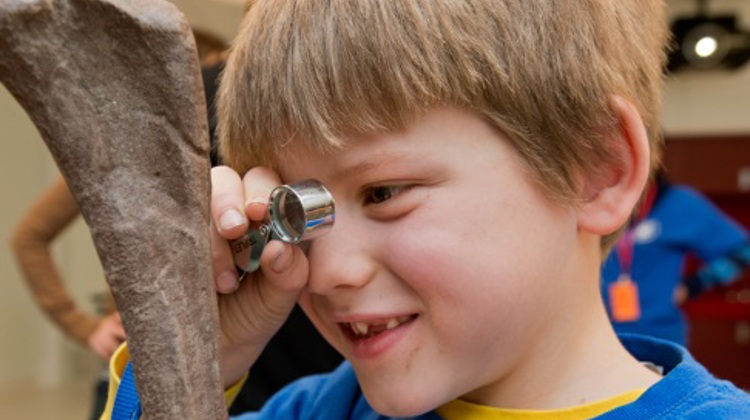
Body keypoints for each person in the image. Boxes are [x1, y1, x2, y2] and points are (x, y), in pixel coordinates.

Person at [104, 1, 750, 418]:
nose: (326, 271)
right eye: (296, 212)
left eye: (382, 193)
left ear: (595, 169)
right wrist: (188, 362)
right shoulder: (314, 410)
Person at [11, 175, 125, 420]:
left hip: (221, 375)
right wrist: (80, 325)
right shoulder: (106, 156)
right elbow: (29, 238)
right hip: (124, 373)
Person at [601, 168, 750, 346]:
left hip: (658, 337)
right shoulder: (595, 204)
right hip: (597, 335)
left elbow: (743, 252)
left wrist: (694, 285)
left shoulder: (681, 204)